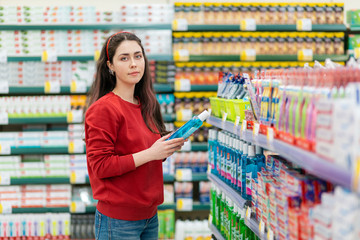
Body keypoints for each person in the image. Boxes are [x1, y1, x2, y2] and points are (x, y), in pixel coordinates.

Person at [85, 31, 186, 240]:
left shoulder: (145, 104)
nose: (134, 64)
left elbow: (143, 152)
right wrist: (151, 153)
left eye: (138, 56)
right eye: (124, 58)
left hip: (150, 217)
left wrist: (166, 147)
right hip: (118, 221)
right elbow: (101, 166)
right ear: (110, 65)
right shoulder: (103, 109)